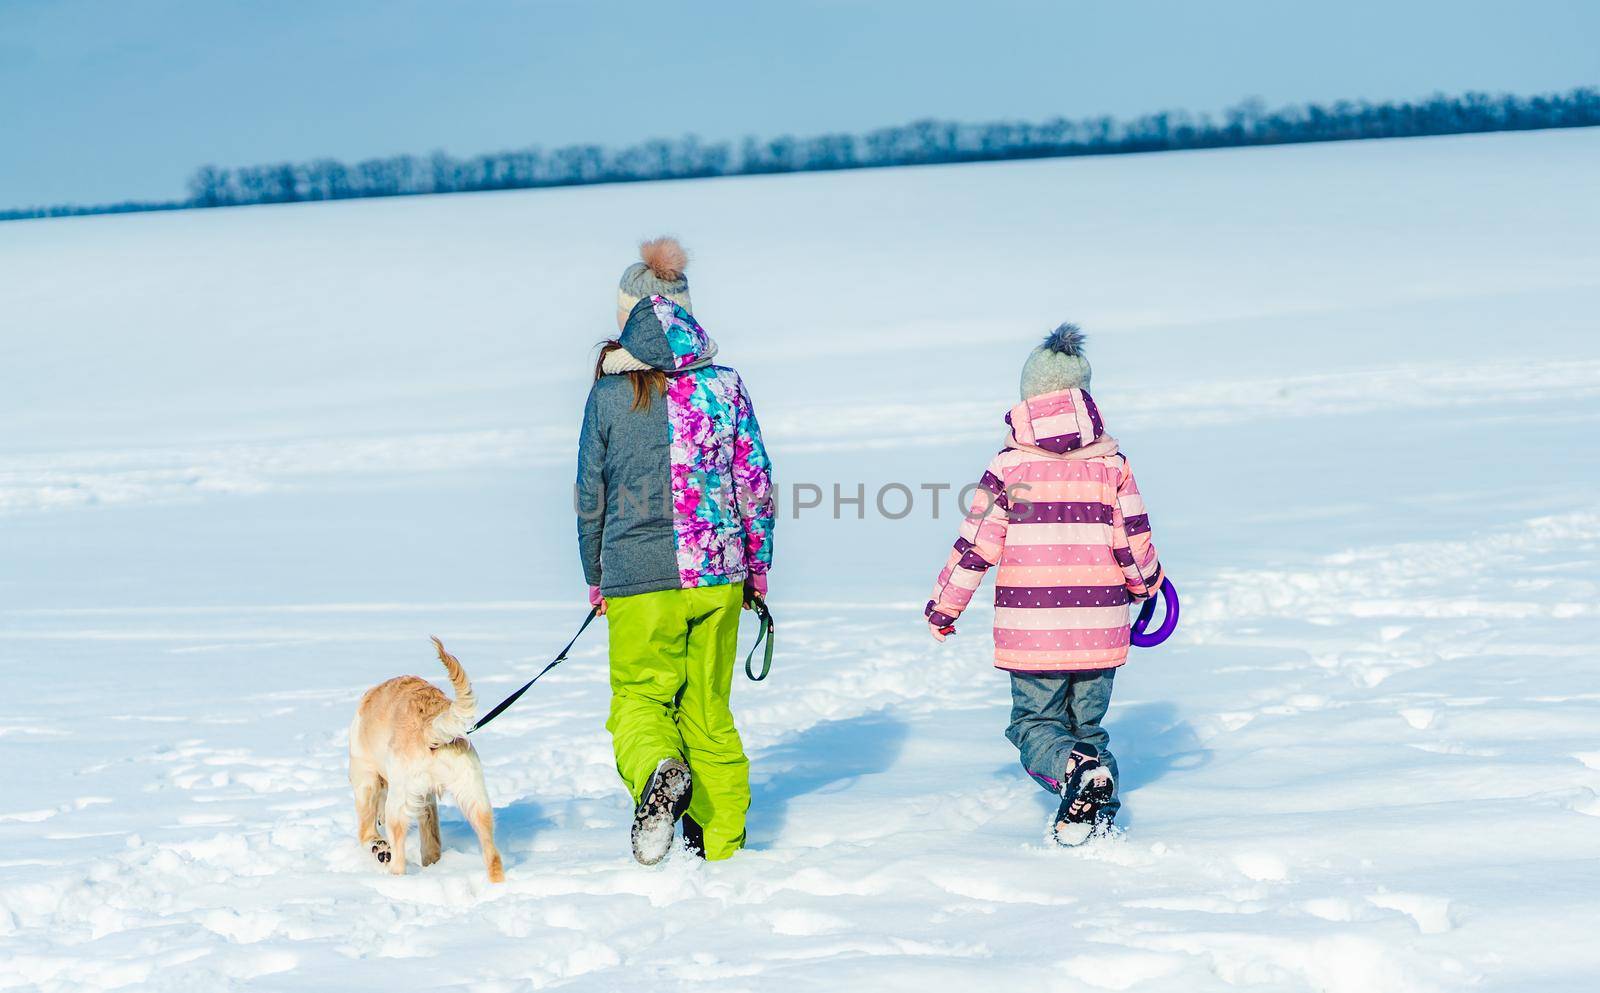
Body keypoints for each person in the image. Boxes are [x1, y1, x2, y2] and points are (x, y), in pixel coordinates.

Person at [924, 324, 1163, 846]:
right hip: (1100, 627)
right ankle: (1098, 810)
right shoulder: (1110, 466)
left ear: (1028, 399)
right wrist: (1149, 589)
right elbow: (1133, 539)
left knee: (1034, 724)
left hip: (1032, 632)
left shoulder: (1008, 469)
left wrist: (945, 607)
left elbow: (977, 545)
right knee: (1090, 729)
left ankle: (1073, 773)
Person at [576, 237, 774, 865]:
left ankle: (661, 769)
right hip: (718, 575)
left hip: (639, 577)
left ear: (631, 317)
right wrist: (756, 566)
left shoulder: (612, 392)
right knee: (709, 713)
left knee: (639, 700)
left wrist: (596, 574)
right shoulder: (727, 386)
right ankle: (723, 852)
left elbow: (590, 490)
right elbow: (755, 482)